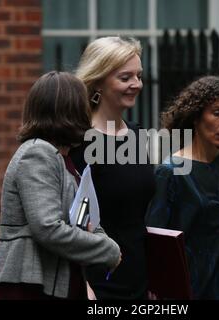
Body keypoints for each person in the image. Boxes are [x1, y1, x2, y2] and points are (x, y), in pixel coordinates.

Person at [0, 71, 121, 300]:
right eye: (83, 105)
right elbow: (48, 228)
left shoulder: (65, 160)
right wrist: (108, 250)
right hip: (28, 288)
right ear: (71, 110)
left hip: (57, 283)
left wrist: (102, 242)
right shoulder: (37, 152)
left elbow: (84, 220)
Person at [146, 76, 219, 300]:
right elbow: (155, 239)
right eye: (217, 113)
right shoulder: (170, 171)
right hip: (188, 289)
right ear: (196, 116)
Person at [71, 36, 156, 299]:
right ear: (98, 81)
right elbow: (70, 222)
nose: (136, 84)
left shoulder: (138, 135)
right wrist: (83, 285)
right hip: (98, 283)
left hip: (140, 282)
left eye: (139, 76)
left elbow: (141, 216)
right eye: (125, 77)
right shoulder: (79, 142)